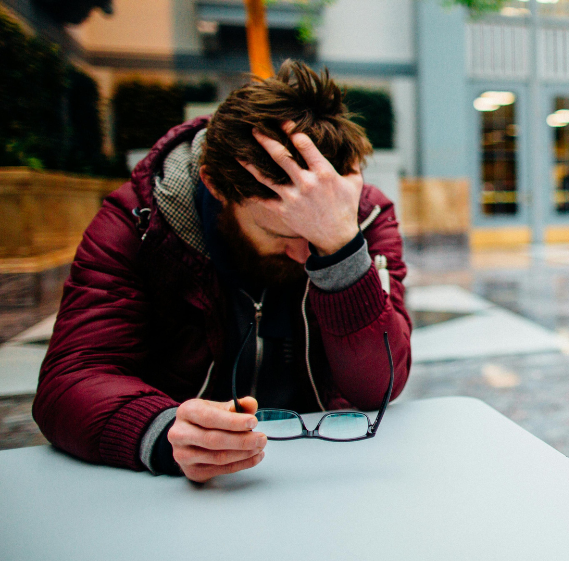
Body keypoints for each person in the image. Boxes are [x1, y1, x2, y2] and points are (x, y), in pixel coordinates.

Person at [32, 61, 412, 483]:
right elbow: (70, 381)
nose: (306, 254)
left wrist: (342, 249)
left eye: (319, 231)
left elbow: (377, 387)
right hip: (185, 494)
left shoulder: (363, 217)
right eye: (280, 231)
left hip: (326, 471)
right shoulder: (138, 222)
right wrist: (162, 431)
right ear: (214, 184)